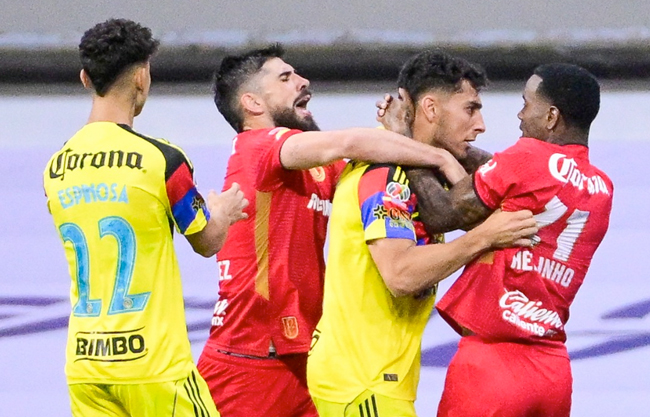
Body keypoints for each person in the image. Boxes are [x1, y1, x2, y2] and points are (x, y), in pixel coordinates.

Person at [196, 44, 471, 417]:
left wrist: (398, 131)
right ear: (252, 103)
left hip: (309, 358)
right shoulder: (257, 146)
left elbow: (378, 159)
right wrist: (442, 157)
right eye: (285, 77)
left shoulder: (320, 170)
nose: (302, 81)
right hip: (249, 361)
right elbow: (350, 142)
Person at [306, 50, 539, 417]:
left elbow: (489, 188)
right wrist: (484, 237)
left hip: (377, 379)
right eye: (470, 109)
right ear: (430, 108)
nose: (480, 125)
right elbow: (400, 274)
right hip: (363, 381)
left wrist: (439, 156)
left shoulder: (420, 170)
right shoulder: (386, 173)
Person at [43, 18, 247, 417]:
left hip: (85, 368)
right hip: (155, 367)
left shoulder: (55, 168)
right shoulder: (162, 159)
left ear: (85, 78)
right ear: (141, 76)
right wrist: (223, 211)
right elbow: (207, 241)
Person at [408, 63, 613, 417]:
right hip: (553, 372)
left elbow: (440, 213)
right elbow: (519, 177)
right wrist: (449, 152)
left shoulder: (526, 158)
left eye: (526, 104)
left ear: (551, 117)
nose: (520, 116)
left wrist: (410, 146)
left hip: (492, 368)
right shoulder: (602, 188)